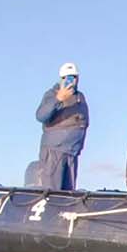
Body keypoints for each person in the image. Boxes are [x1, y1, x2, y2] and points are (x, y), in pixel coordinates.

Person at [32, 62, 89, 190]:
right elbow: (40, 115)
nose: (70, 80)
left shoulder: (80, 97)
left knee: (68, 194)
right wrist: (58, 99)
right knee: (53, 193)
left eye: (73, 77)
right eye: (66, 77)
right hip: (54, 152)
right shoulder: (52, 94)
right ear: (61, 79)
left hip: (72, 153)